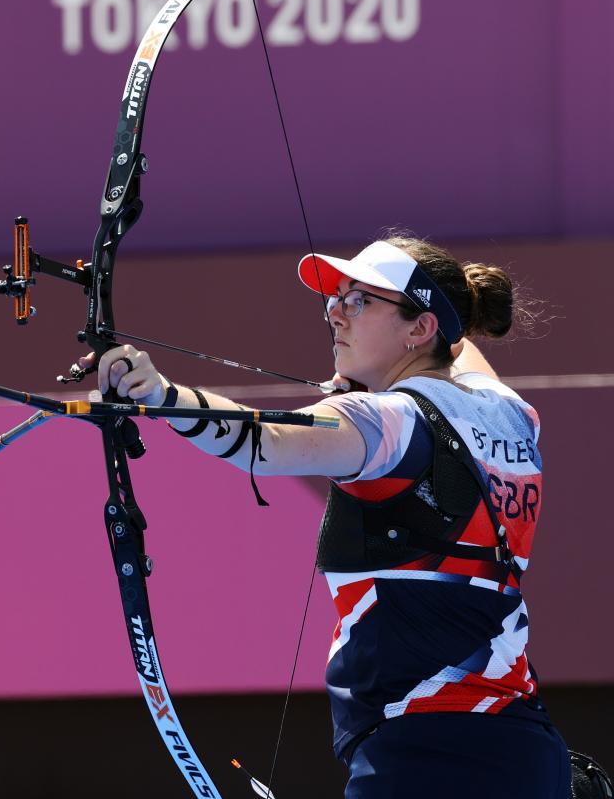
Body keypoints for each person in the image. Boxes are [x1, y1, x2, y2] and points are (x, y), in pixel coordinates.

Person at [82, 234, 572, 798]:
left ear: (420, 328)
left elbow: (265, 442)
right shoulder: (507, 411)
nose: (334, 313)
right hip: (527, 749)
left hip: (425, 755)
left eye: (359, 300)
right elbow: (456, 348)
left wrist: (161, 395)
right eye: (336, 298)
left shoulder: (387, 421)